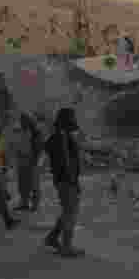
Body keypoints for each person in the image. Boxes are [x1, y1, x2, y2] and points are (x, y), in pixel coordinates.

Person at [44, 108, 84, 256]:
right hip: (66, 179)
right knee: (70, 213)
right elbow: (67, 161)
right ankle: (66, 247)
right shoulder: (62, 137)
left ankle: (52, 237)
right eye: (72, 118)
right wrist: (73, 180)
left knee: (67, 210)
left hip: (62, 179)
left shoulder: (58, 136)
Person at [14, 113, 43, 212]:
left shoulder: (36, 132)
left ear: (29, 121)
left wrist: (36, 160)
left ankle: (35, 204)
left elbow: (39, 148)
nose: (22, 122)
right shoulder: (20, 131)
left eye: (24, 120)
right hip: (22, 159)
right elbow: (18, 144)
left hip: (32, 159)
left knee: (34, 184)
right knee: (22, 183)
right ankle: (24, 203)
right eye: (21, 120)